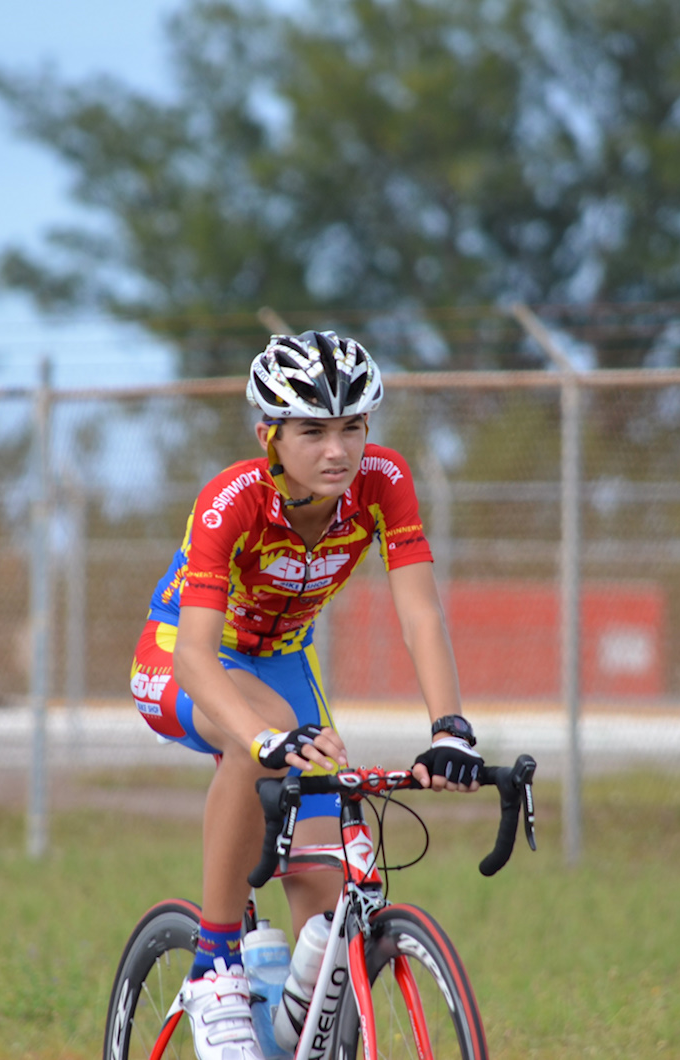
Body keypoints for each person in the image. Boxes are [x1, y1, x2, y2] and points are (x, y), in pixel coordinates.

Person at [128, 330, 484, 1059]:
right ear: (271, 436)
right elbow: (196, 655)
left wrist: (450, 727)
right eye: (313, 430)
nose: (338, 449)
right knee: (271, 734)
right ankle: (216, 969)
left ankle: (285, 1024)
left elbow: (419, 610)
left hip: (283, 662)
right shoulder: (233, 499)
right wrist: (260, 742)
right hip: (184, 657)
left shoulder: (384, 481)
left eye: (352, 426)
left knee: (326, 917)